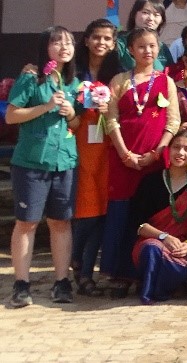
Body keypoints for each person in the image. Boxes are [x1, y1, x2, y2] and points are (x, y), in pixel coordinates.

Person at [7, 26, 83, 307]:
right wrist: (47, 105)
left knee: (61, 222)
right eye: (56, 42)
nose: (64, 46)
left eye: (68, 42)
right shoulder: (30, 77)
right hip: (31, 161)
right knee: (26, 223)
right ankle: (21, 284)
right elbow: (12, 116)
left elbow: (75, 125)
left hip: (65, 161)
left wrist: (71, 112)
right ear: (45, 48)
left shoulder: (74, 82)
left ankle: (62, 282)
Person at [102, 28, 181, 296]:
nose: (148, 51)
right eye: (141, 46)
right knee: (121, 216)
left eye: (152, 46)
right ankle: (118, 273)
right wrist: (124, 152)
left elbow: (173, 121)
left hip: (154, 162)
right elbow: (110, 119)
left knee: (150, 216)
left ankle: (145, 271)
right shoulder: (119, 81)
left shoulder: (166, 81)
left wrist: (159, 150)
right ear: (131, 50)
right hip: (123, 160)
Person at [71, 19, 120, 296]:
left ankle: (86, 274)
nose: (101, 43)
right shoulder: (73, 73)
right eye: (96, 37)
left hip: (107, 150)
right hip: (78, 148)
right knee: (84, 213)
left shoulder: (117, 75)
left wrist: (108, 111)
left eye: (107, 39)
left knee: (101, 213)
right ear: (87, 40)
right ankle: (77, 261)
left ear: (114, 44)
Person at [130, 130, 187, 304]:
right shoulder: (151, 182)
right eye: (176, 147)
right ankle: (151, 291)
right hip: (151, 242)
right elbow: (138, 224)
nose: (181, 153)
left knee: (182, 264)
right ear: (168, 150)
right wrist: (163, 237)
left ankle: (165, 286)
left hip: (182, 248)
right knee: (152, 248)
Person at [118, 0, 175, 72]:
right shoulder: (121, 42)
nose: (150, 18)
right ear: (134, 14)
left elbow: (173, 74)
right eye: (145, 13)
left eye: (156, 15)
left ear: (162, 20)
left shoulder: (163, 47)